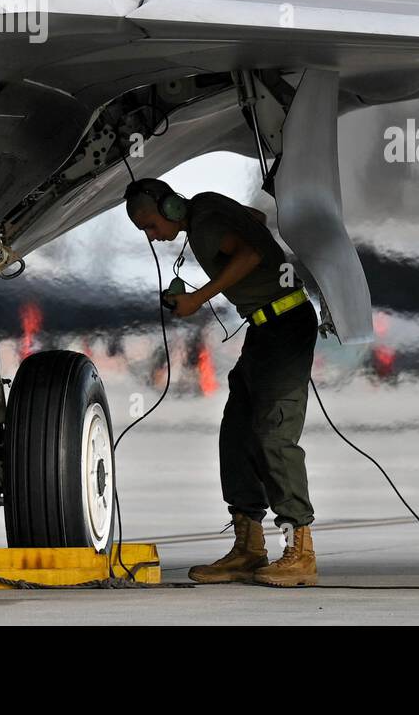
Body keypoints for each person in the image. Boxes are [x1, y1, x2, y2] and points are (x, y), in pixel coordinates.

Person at [124, 177, 320, 587]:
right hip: (267, 327)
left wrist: (199, 298)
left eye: (150, 225)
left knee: (273, 434)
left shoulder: (205, 223)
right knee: (237, 432)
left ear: (172, 209)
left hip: (284, 325)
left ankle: (300, 551)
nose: (152, 236)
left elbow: (247, 254)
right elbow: (256, 219)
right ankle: (248, 548)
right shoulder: (208, 206)